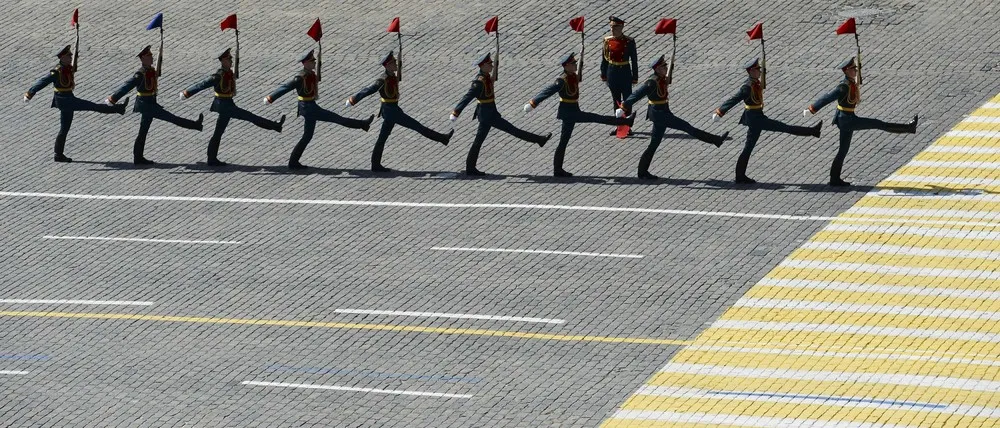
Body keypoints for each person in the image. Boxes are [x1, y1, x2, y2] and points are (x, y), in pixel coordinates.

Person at [805, 57, 917, 186]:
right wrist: (812, 109)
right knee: (878, 124)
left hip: (846, 118)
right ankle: (908, 128)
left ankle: (834, 179)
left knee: (843, 150)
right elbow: (827, 98)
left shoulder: (851, 82)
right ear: (847, 71)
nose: (856, 71)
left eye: (856, 68)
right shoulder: (843, 87)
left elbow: (858, 82)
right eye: (853, 69)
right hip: (847, 120)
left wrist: (859, 67)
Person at [618, 55, 728, 180]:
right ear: (657, 69)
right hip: (658, 114)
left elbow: (668, 80)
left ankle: (642, 172)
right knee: (687, 127)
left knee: (654, 143)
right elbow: (636, 95)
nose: (665, 68)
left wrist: (672, 63)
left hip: (663, 111)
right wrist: (624, 106)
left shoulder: (661, 78)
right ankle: (716, 140)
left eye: (666, 65)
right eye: (663, 66)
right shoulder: (651, 82)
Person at [713, 58, 821, 183]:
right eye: (758, 69)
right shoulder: (746, 87)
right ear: (751, 71)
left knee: (748, 147)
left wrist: (763, 71)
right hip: (755, 118)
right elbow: (734, 99)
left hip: (757, 116)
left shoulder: (755, 82)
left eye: (760, 69)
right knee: (784, 127)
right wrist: (720, 111)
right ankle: (812, 131)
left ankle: (740, 176)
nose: (760, 71)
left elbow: (761, 86)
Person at [524, 53, 633, 177]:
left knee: (564, 141)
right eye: (573, 63)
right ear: (566, 66)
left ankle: (557, 170)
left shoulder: (572, 76)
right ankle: (625, 122)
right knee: (596, 118)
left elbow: (577, 80)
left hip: (573, 110)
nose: (575, 65)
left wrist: (581, 62)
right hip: (568, 112)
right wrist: (533, 103)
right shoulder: (561, 80)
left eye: (576, 63)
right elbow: (547, 92)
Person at [265, 49, 374, 170]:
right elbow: (285, 88)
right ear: (305, 63)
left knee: (307, 136)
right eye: (312, 61)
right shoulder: (299, 78)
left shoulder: (310, 74)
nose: (314, 63)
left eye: (314, 60)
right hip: (308, 108)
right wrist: (271, 98)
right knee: (337, 119)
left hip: (311, 106)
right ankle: (362, 124)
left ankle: (293, 162)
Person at [347, 51, 453, 172]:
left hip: (393, 109)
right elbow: (369, 90)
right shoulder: (382, 80)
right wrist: (354, 99)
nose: (396, 64)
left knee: (382, 137)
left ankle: (375, 164)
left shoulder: (392, 76)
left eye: (395, 62)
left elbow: (397, 80)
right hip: (391, 111)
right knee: (417, 126)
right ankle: (443, 138)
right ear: (387, 65)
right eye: (393, 62)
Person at [450, 53, 551, 176]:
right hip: (487, 115)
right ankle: (539, 140)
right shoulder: (478, 83)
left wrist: (496, 63)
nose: (492, 65)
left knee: (479, 140)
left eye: (492, 63)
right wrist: (456, 112)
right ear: (483, 66)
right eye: (490, 64)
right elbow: (467, 97)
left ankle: (470, 167)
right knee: (512, 130)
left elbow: (494, 78)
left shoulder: (486, 77)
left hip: (490, 113)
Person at [181, 48, 284, 166]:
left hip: (228, 103)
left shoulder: (228, 72)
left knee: (218, 132)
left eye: (231, 58)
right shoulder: (218, 76)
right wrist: (187, 93)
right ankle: (275, 125)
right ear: (223, 61)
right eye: (229, 58)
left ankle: (211, 158)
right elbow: (202, 84)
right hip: (223, 105)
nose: (231, 60)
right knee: (250, 117)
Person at [23, 45, 127, 162]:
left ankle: (58, 155)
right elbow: (42, 82)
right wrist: (30, 93)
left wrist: (76, 56)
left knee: (64, 128)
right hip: (64, 100)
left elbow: (73, 69)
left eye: (71, 55)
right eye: (69, 56)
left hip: (68, 98)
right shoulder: (56, 72)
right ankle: (118, 108)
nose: (71, 57)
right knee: (93, 106)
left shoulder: (68, 68)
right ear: (62, 58)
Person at [107, 45, 203, 165]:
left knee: (143, 131)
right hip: (146, 105)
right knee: (171, 118)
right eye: (149, 56)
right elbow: (127, 86)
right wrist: (114, 98)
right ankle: (196, 125)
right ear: (142, 59)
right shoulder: (140, 74)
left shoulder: (150, 71)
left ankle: (138, 157)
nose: (151, 57)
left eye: (152, 55)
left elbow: (156, 75)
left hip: (150, 103)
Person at [600, 16, 638, 136]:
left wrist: (635, 76)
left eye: (615, 27)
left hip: (625, 72)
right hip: (612, 72)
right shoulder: (607, 41)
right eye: (611, 26)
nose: (612, 29)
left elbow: (634, 60)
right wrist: (603, 74)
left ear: (621, 27)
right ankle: (618, 125)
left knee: (627, 100)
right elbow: (604, 59)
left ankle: (627, 126)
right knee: (615, 100)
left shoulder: (629, 41)